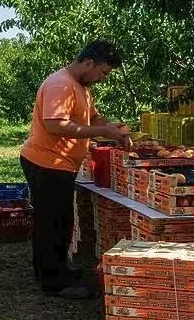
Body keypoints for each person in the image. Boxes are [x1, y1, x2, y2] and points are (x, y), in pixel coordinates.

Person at [19, 40, 131, 299]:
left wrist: (113, 129)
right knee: (53, 222)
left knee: (56, 220)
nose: (102, 79)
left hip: (59, 164)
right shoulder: (61, 84)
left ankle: (52, 270)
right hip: (46, 162)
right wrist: (102, 131)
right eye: (102, 73)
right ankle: (53, 282)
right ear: (89, 63)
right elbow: (55, 125)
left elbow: (92, 117)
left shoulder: (81, 86)